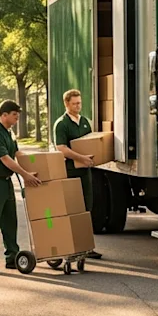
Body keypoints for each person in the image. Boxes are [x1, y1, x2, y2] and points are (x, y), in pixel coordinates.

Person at [0, 100, 41, 273]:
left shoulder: (9, 133)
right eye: (14, 114)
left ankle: (12, 257)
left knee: (10, 221)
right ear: (4, 115)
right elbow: (6, 159)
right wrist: (25, 175)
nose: (17, 117)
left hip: (5, 182)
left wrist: (36, 166)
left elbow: (17, 153)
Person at [54, 89, 103, 259]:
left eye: (79, 103)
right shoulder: (61, 124)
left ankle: (87, 247)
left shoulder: (84, 122)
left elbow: (89, 142)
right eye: (74, 103)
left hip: (85, 172)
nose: (78, 106)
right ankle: (72, 246)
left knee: (86, 209)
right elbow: (61, 148)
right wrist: (80, 157)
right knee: (73, 209)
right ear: (66, 104)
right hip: (71, 171)